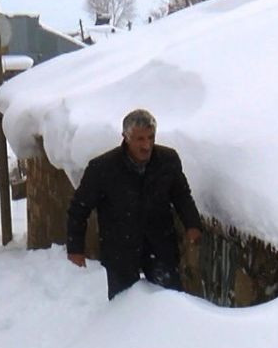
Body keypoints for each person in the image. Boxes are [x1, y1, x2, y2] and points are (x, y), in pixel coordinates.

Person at [66, 108, 203, 299]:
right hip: (121, 252)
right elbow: (79, 208)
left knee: (169, 303)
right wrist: (75, 248)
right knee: (124, 308)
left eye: (151, 138)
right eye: (140, 139)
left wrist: (192, 224)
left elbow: (181, 196)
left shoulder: (167, 160)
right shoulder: (102, 168)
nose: (147, 145)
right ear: (126, 137)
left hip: (161, 247)